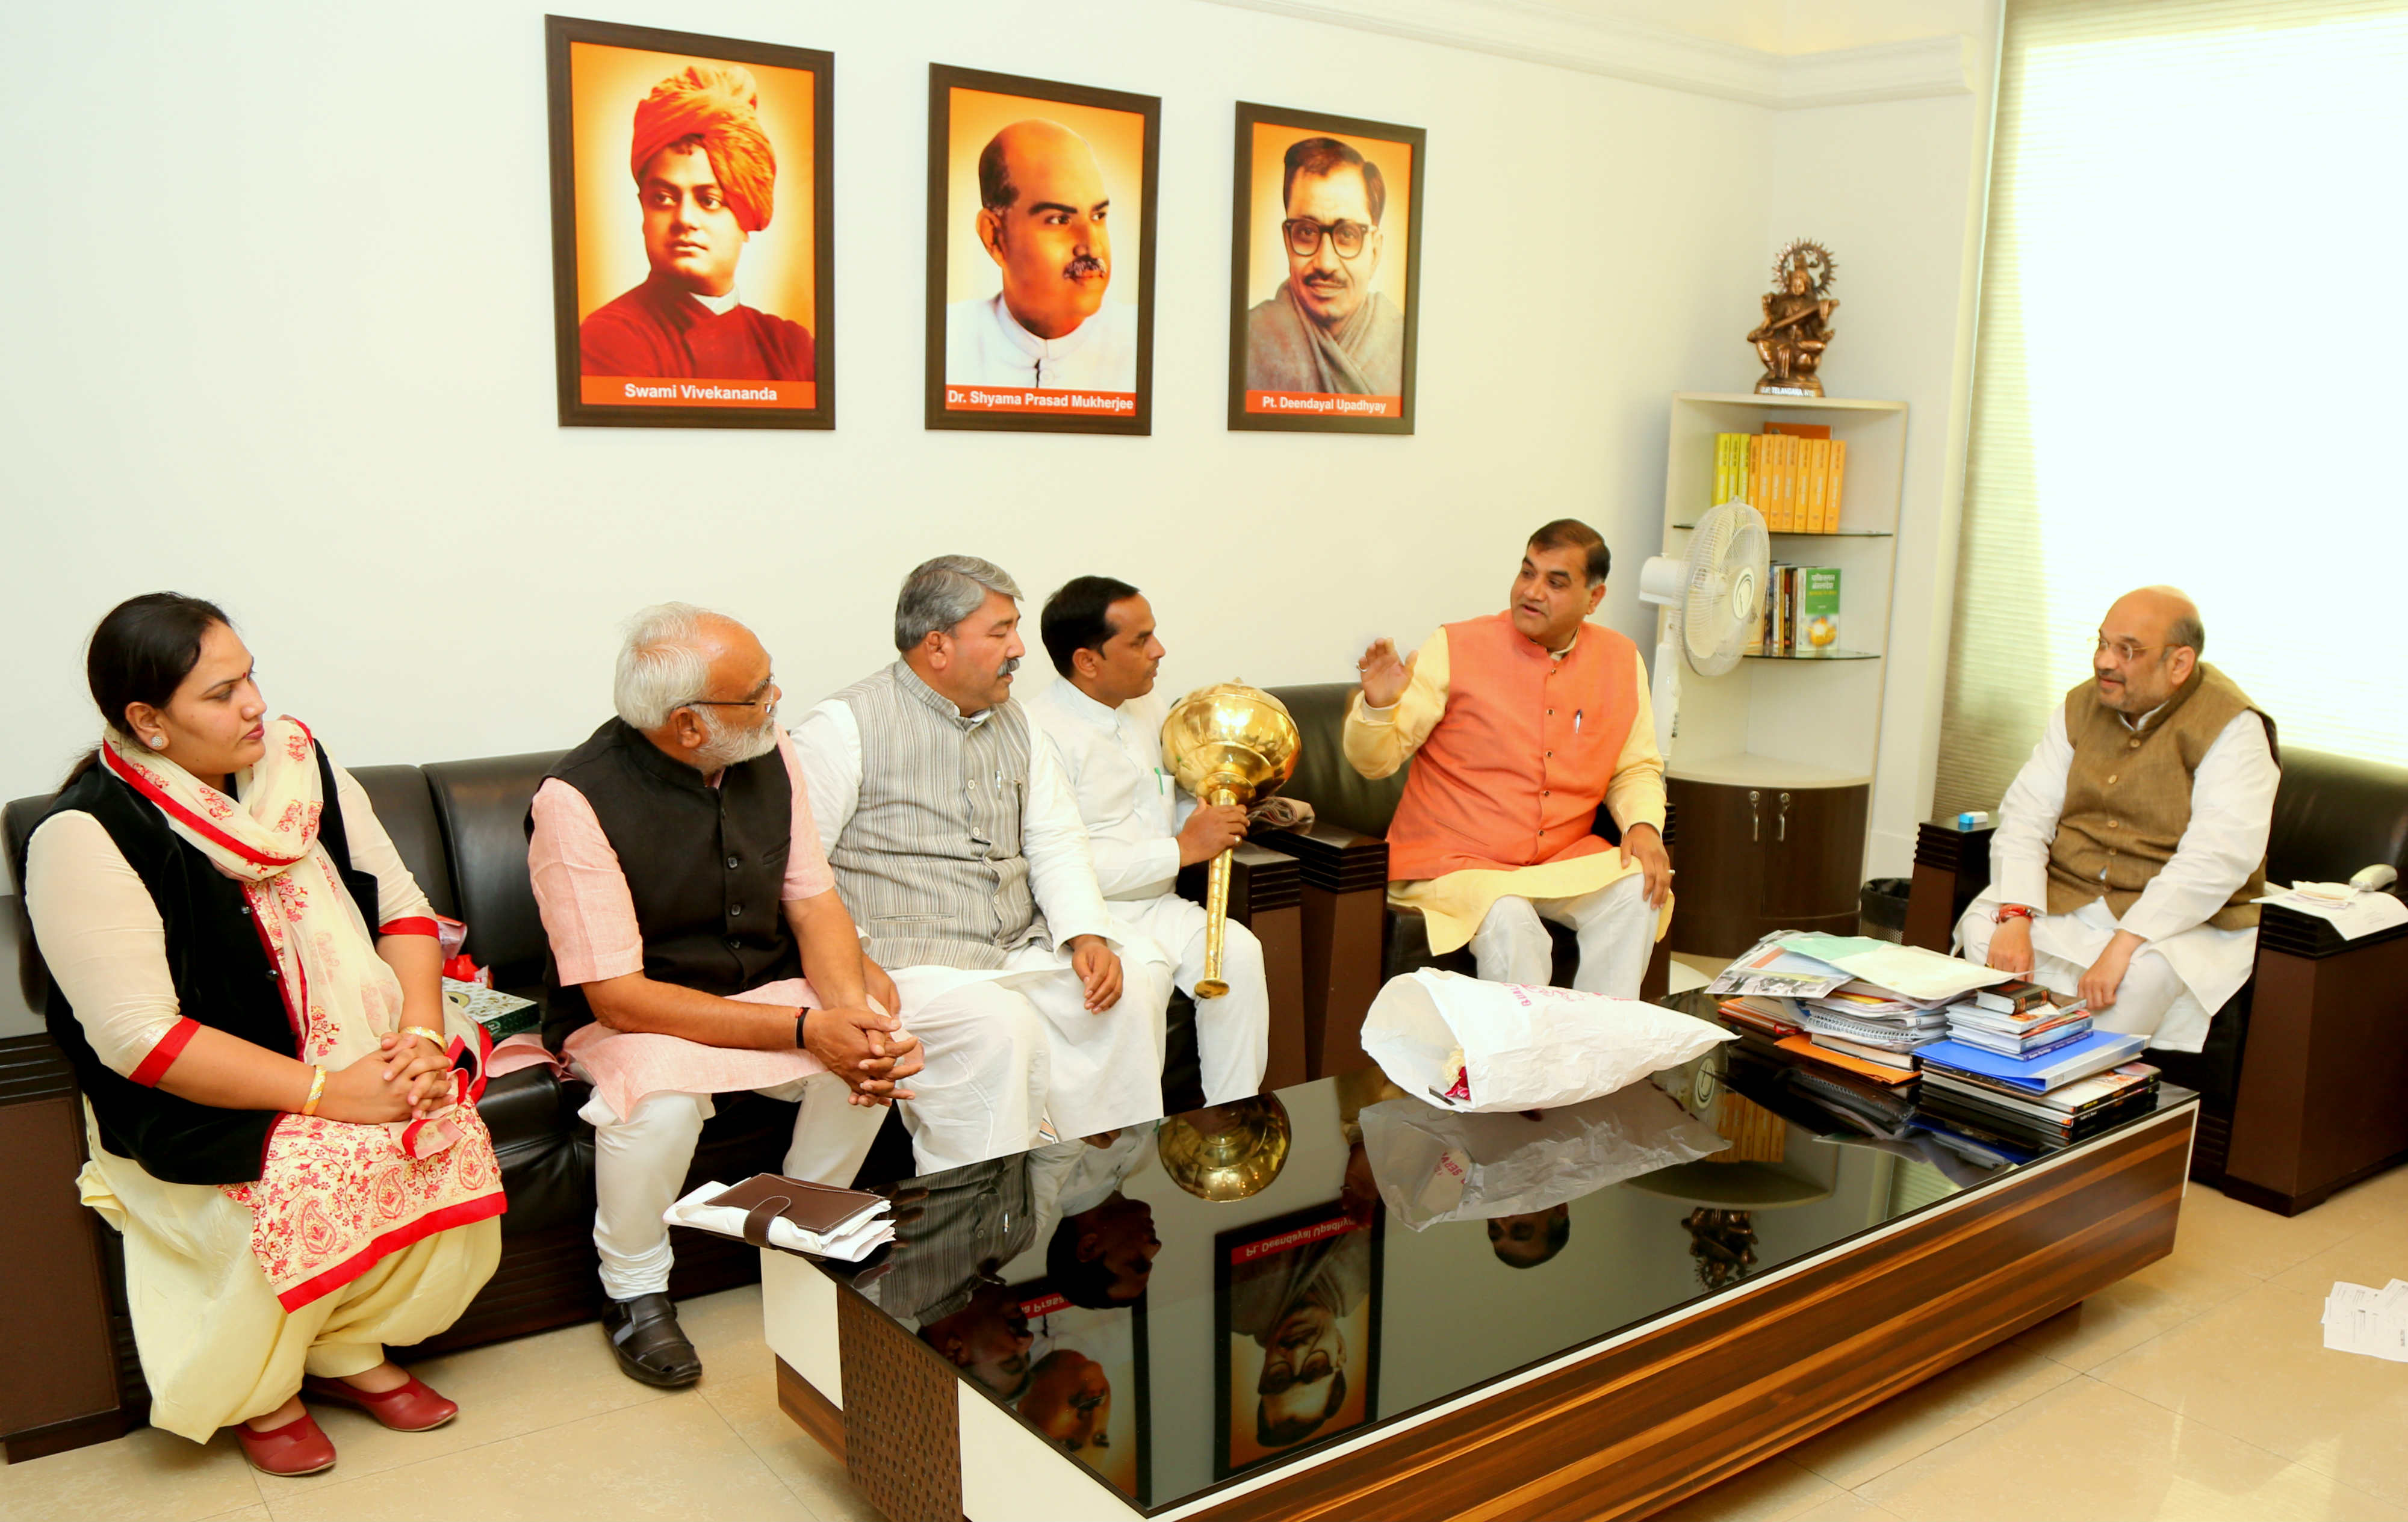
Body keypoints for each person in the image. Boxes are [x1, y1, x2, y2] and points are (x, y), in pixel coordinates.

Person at [20, 595, 503, 1476]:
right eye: (221, 692)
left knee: (443, 1131)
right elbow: (141, 1040)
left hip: (363, 1048)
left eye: (251, 677)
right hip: (206, 1098)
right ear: (146, 721)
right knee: (308, 1169)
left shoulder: (300, 767)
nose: (254, 705)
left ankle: (343, 1344)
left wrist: (425, 1038)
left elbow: (402, 911)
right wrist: (329, 1094)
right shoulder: (87, 833)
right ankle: (257, 1385)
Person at [526, 604, 918, 1388]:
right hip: (642, 1015)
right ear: (690, 725)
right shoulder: (574, 801)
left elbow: (813, 900)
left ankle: (801, 1233)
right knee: (660, 1104)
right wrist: (810, 1028)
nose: (779, 701)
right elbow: (621, 998)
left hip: (765, 986)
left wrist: (848, 1019)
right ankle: (634, 1292)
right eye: (760, 692)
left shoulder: (770, 753)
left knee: (870, 1041)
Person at [793, 555, 1172, 1173]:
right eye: (1000, 632)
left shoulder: (1016, 722)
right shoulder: (845, 725)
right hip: (906, 958)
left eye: (1014, 628)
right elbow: (799, 873)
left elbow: (1056, 838)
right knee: (1001, 1026)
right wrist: (853, 960)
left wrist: (1084, 932)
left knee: (1130, 988)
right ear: (937, 646)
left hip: (1012, 944)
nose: (1019, 648)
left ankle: (1085, 1185)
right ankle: (970, 1215)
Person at [1345, 520, 1672, 996]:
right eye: (1527, 573)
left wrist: (1643, 825)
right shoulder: (1455, 647)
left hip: (1558, 858)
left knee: (1637, 892)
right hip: (1456, 862)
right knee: (1511, 917)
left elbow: (1636, 766)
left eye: (1555, 582)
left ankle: (1598, 1054)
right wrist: (1379, 706)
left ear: (1594, 598)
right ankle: (1521, 1066)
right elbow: (1375, 762)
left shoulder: (1622, 660)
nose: (1532, 592)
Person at [1954, 588, 2277, 1052]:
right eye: (2102, 643)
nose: (2105, 661)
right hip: (2069, 892)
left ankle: (2069, 1085)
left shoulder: (2233, 728)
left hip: (2169, 916)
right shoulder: (2079, 706)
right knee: (1983, 932)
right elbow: (2027, 813)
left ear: (2179, 663)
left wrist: (2123, 945)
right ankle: (1994, 1073)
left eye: (2126, 650)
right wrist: (2017, 915)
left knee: (2138, 978)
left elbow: (2217, 857)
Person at [1029, 577, 1270, 1106]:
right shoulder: (1038, 732)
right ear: (1087, 661)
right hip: (1094, 919)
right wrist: (1183, 849)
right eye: (1140, 642)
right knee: (1141, 985)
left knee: (1240, 953)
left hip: (1160, 902)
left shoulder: (1148, 702)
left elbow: (1172, 792)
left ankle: (1234, 1117)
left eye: (1153, 635)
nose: (1158, 651)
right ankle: (1131, 1158)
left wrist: (1211, 808)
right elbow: (1059, 863)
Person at [579, 64, 814, 382]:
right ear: (643, 209)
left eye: (709, 201)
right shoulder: (608, 337)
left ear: (746, 218)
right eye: (663, 199)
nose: (685, 219)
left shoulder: (790, 347)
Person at [945, 120, 1138, 391]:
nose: (1093, 249)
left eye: (1098, 216)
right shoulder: (945, 340)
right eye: (1060, 220)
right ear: (995, 238)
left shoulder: (1146, 342)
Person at [1243, 136, 1405, 397]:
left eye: (1348, 235)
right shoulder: (1247, 341)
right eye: (1307, 232)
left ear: (1374, 252)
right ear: (1287, 242)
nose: (1326, 264)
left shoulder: (1404, 345)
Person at [1229, 1223, 1369, 1450]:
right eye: (1315, 1368)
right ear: (1340, 1351)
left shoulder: (1240, 1308)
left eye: (1278, 1379)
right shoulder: (1366, 1275)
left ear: (1264, 1371)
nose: (1296, 1352)